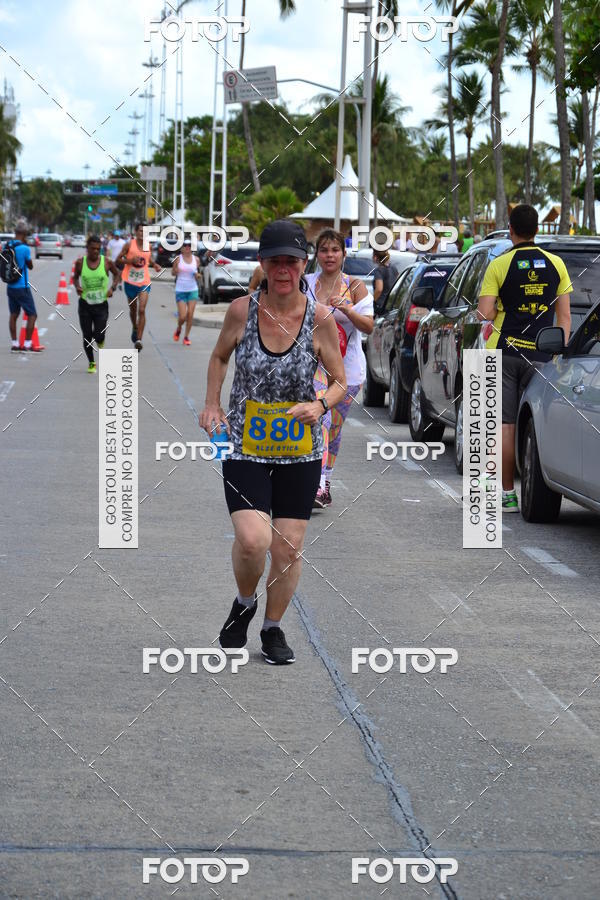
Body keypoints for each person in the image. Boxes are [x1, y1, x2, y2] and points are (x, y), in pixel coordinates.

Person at [199, 219, 346, 665]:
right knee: (253, 540)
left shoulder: (319, 318)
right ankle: (245, 603)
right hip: (245, 444)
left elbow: (340, 382)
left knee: (287, 546)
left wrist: (320, 406)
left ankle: (272, 628)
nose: (283, 269)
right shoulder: (242, 310)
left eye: (292, 261)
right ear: (262, 264)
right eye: (275, 260)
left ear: (304, 265)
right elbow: (220, 355)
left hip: (299, 450)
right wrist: (211, 405)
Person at [477, 203, 572, 513]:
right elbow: (565, 317)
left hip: (503, 351)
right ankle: (538, 487)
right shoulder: (556, 263)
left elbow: (484, 312)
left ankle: (506, 494)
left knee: (503, 425)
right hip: (543, 355)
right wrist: (559, 350)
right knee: (534, 424)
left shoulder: (499, 264)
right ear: (537, 229)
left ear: (511, 229)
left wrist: (501, 308)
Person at [306, 228, 374, 507]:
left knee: (333, 426)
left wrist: (348, 309)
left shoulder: (355, 286)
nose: (329, 255)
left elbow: (369, 326)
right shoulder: (306, 283)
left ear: (343, 255)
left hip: (348, 371)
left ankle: (325, 480)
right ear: (317, 255)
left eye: (335, 250)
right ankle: (316, 484)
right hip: (312, 367)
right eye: (324, 250)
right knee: (319, 421)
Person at [73, 235, 120, 373]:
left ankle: (100, 340)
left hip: (101, 305)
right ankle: (91, 362)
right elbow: (75, 277)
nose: (95, 251)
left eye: (98, 249)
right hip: (85, 305)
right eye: (92, 248)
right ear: (87, 248)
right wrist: (77, 286)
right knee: (87, 335)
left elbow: (117, 274)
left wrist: (112, 288)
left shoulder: (107, 262)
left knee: (99, 335)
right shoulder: (80, 263)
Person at [116, 222, 161, 351]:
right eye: (140, 231)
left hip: (144, 282)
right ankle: (135, 327)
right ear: (136, 232)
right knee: (133, 310)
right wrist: (130, 261)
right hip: (130, 281)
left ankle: (139, 340)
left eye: (145, 231)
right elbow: (118, 260)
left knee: (142, 310)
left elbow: (149, 259)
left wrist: (155, 264)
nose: (143, 233)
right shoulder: (129, 244)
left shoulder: (149, 246)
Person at [4, 220, 44, 352]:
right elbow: (30, 266)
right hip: (22, 287)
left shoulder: (7, 245)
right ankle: (27, 344)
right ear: (25, 233)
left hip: (10, 287)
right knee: (32, 315)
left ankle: (15, 343)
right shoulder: (25, 248)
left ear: (15, 232)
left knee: (13, 314)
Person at [172, 239, 199, 345]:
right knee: (182, 316)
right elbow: (173, 273)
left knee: (190, 314)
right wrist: (175, 271)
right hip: (180, 289)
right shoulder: (178, 259)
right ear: (182, 248)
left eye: (189, 245)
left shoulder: (196, 259)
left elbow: (196, 273)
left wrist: (197, 276)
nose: (187, 247)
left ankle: (186, 337)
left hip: (193, 289)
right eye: (185, 245)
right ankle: (179, 328)